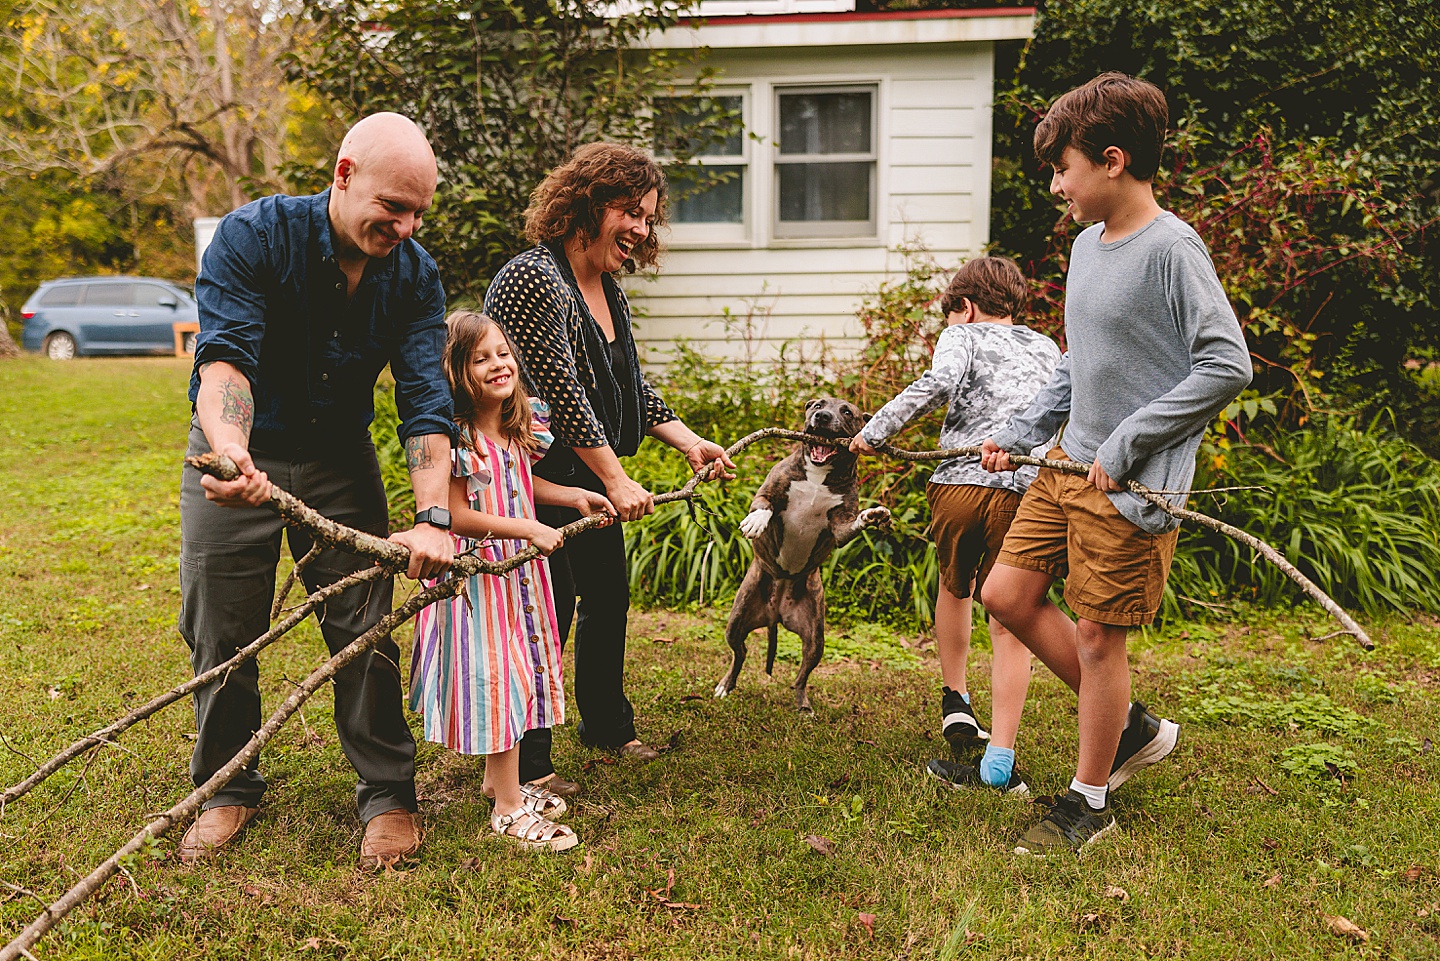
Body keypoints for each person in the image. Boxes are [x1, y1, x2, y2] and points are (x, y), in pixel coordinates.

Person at [978, 72, 1252, 855]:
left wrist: (1131, 440)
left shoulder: (1172, 249)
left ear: (1112, 160)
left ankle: (1089, 798)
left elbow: (1226, 363)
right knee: (1005, 592)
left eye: (1062, 169)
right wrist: (1025, 428)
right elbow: (1078, 361)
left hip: (1130, 481)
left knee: (1100, 637)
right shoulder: (1085, 249)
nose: (1056, 185)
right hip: (1066, 462)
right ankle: (1127, 724)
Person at [178, 113, 457, 869]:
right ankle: (228, 787)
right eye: (392, 206)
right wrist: (231, 453)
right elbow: (225, 360)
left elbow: (426, 402)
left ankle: (389, 796)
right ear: (343, 174)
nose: (405, 225)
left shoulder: (414, 275)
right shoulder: (252, 237)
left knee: (364, 626)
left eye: (418, 212)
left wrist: (432, 517)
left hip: (339, 457)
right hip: (238, 449)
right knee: (220, 626)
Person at [484, 142, 735, 794]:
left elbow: (629, 388)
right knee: (545, 611)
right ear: (587, 203)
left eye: (649, 218)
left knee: (606, 599)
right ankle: (528, 762)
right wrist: (616, 478)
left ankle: (606, 724)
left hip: (591, 470)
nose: (641, 230)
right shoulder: (534, 279)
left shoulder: (608, 291)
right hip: (535, 475)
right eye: (630, 211)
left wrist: (689, 440)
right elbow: (563, 393)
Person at [849, 256, 1061, 795]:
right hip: (1025, 492)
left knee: (954, 585)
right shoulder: (1047, 348)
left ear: (964, 308)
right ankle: (1000, 756)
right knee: (1013, 615)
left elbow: (936, 383)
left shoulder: (961, 338)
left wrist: (875, 431)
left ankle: (956, 698)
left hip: (962, 487)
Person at [409, 310, 616, 851]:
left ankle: (497, 780)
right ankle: (508, 808)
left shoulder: (516, 425)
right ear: (455, 371)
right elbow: (451, 513)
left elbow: (523, 481)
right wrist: (525, 527)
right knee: (499, 680)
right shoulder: (450, 437)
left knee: (521, 671)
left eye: (503, 353)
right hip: (478, 577)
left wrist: (572, 496)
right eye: (481, 359)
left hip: (518, 577)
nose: (500, 365)